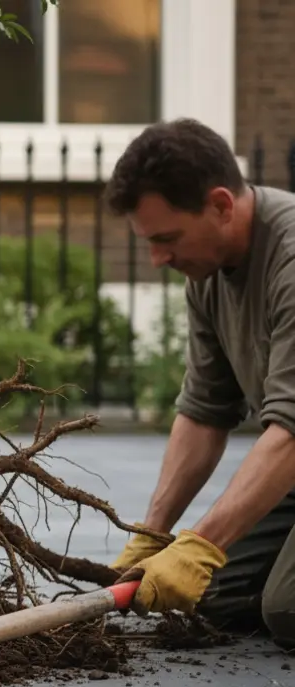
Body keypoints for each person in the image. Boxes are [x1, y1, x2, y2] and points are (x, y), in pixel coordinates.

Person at [102, 117, 295, 645]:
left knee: (287, 610)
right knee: (205, 596)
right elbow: (206, 409)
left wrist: (202, 544)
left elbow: (292, 430)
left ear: (221, 206)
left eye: (166, 239)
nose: (157, 258)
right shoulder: (208, 270)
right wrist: (155, 535)